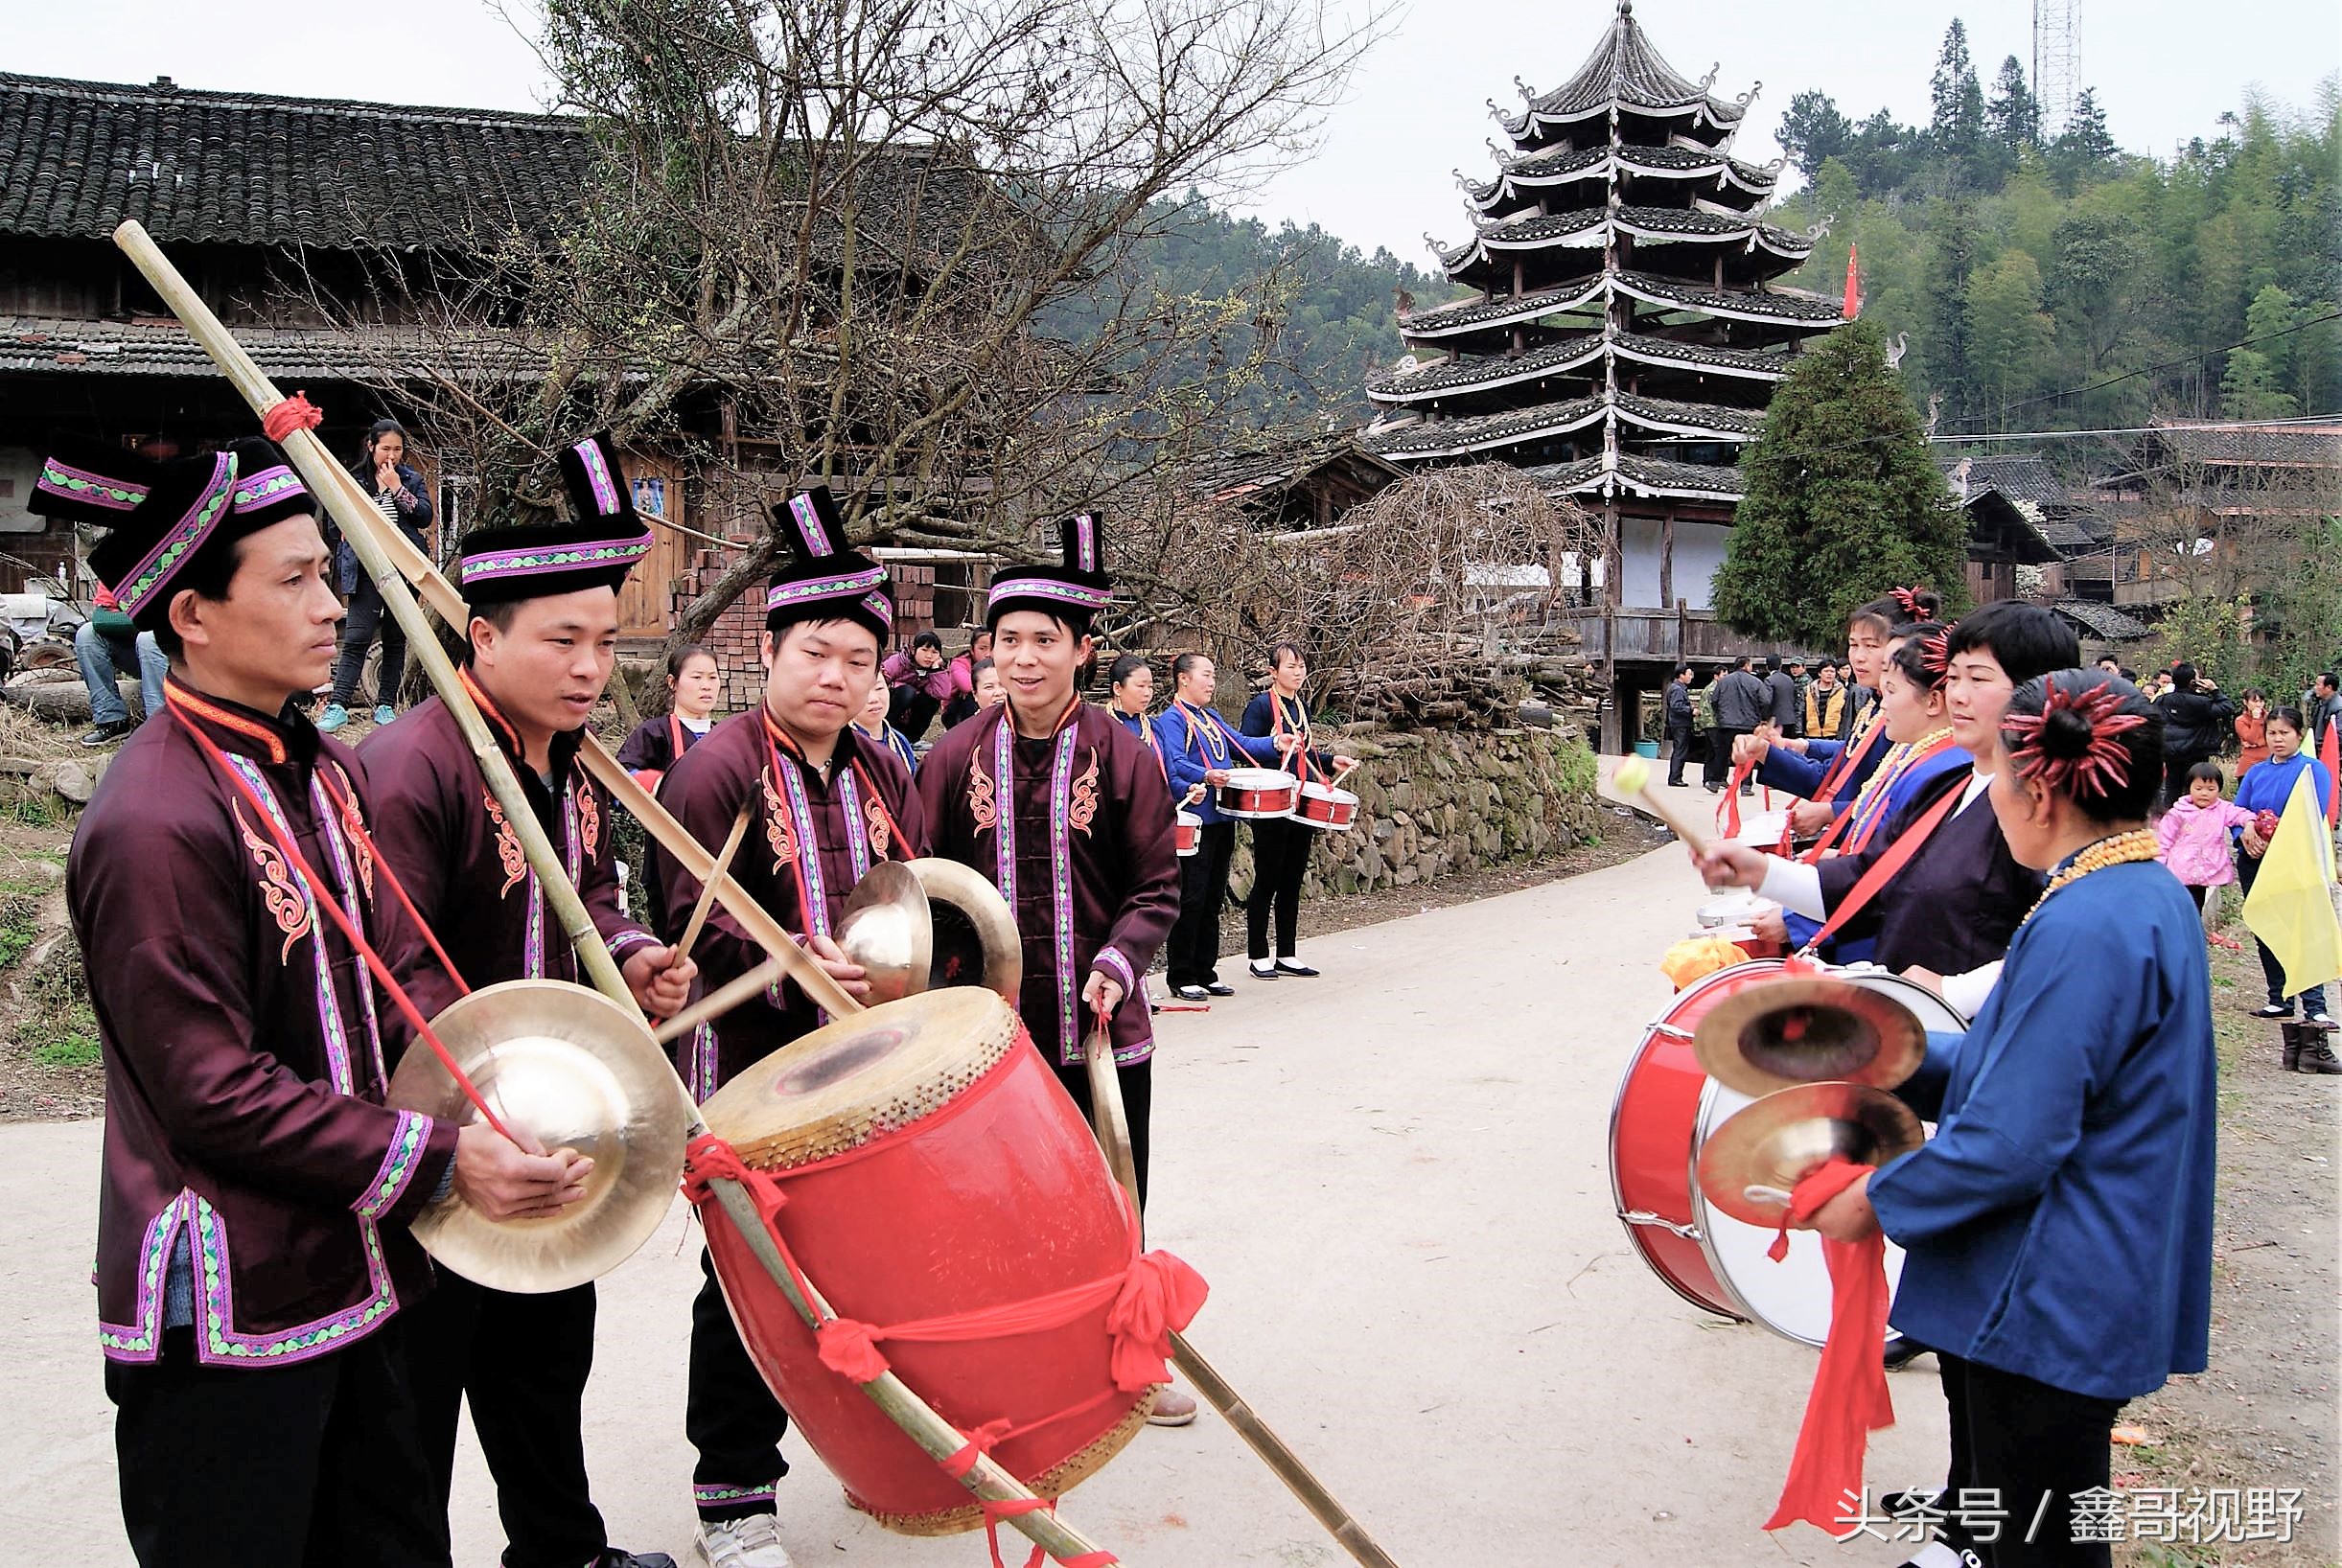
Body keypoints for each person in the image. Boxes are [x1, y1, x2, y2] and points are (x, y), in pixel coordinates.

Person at [43, 434, 579, 1567]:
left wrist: (489, 1101)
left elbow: (397, 975)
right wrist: (436, 1160)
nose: (333, 607)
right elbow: (211, 1091)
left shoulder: (323, 774)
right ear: (191, 615)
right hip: (228, 1303)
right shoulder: (153, 817)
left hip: (359, 1263)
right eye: (294, 579)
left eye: (328, 574)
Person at [361, 433, 690, 1568]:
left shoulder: (567, 757)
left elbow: (591, 897)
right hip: (453, 1141)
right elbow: (390, 970)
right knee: (423, 1394)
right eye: (561, 640)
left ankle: (561, 1550)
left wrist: (634, 955)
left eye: (604, 640)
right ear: (482, 634)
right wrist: (464, 1132)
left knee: (548, 1359)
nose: (591, 665)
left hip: (557, 1130)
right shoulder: (416, 765)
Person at [1799, 670, 2214, 1568]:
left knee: (2042, 1541)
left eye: (1994, 769)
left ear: (2037, 790)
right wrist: (1884, 1056)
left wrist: (1868, 1198)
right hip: (2082, 1270)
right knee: (2032, 1525)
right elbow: (2018, 1073)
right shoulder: (2136, 894)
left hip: (2048, 1288)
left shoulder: (2087, 922)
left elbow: (2011, 1140)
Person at [651, 485, 924, 1567]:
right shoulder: (716, 767)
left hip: (861, 1065)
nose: (836, 677)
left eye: (858, 661)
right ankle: (735, 1499)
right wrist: (783, 958)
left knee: (865, 1271)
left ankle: (879, 1456)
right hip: (749, 1076)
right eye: (816, 652)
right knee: (747, 1287)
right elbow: (684, 919)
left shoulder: (879, 767)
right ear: (769, 650)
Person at [915, 513, 1190, 1422]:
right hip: (989, 1047)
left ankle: (1133, 1361)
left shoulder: (1124, 757)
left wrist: (1117, 961)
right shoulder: (951, 757)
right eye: (1007, 641)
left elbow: (1155, 886)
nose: (1023, 659)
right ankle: (1008, 1376)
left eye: (1043, 640)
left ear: (1083, 649)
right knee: (992, 1216)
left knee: (1114, 1202)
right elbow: (927, 890)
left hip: (1101, 1030)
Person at [1707, 602, 2079, 1011]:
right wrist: (1759, 872)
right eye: (1953, 677)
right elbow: (1873, 879)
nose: (1956, 694)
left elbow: (2066, 947)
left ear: (2038, 693)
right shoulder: (1950, 783)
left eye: (1977, 679)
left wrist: (1955, 993)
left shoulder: (2048, 808)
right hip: (1907, 1019)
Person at [1156, 652, 1286, 1001]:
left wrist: (1275, 743)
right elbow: (1175, 764)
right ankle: (1181, 974)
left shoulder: (1210, 717)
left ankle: (1205, 969)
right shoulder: (1171, 720)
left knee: (1213, 896)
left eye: (1213, 676)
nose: (1212, 682)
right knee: (1192, 897)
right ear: (1184, 679)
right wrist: (1205, 775)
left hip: (1222, 816)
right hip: (1197, 818)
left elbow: (1240, 744)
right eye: (1206, 675)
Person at [1240, 642, 1357, 980]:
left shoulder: (1300, 706)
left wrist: (1330, 761)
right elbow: (1249, 752)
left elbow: (1304, 753)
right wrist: (1276, 751)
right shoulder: (1261, 706)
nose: (1298, 671)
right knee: (1267, 877)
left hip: (1300, 798)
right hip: (1272, 801)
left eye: (1301, 666)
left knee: (1292, 878)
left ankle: (1287, 952)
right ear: (1272, 672)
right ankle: (1258, 953)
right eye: (1290, 666)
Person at [320, 419, 433, 732]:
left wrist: (397, 488)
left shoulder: (410, 479)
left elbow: (424, 516)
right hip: (366, 568)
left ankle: (385, 705)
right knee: (357, 636)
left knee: (395, 639)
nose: (391, 455)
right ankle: (338, 705)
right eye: (386, 448)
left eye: (397, 449)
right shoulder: (354, 480)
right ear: (371, 447)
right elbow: (333, 522)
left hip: (403, 569)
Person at [2233, 706, 2335, 1026]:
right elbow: (2239, 811)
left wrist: (2276, 837)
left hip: (2293, 860)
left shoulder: (2313, 771)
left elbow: (2311, 813)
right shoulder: (2256, 772)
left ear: (2299, 735)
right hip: (2256, 859)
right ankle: (2278, 997)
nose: (2277, 740)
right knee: (2267, 926)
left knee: (2301, 929)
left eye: (2284, 733)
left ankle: (2314, 1003)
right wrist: (2246, 832)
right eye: (2272, 733)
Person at [73, 584, 171, 746]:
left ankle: (161, 726)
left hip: (188, 655)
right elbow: (103, 617)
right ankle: (112, 720)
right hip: (142, 653)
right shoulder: (118, 563)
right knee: (87, 634)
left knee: (148, 637)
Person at [616, 642, 722, 791]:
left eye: (712, 677)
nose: (706, 685)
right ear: (672, 682)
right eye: (697, 677)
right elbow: (619, 778)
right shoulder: (654, 733)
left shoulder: (726, 735)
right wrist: (659, 785)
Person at [2156, 761, 2256, 916]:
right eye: (2198, 788)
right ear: (2189, 789)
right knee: (2181, 909)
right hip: (2180, 872)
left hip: (2203, 875)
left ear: (2219, 790)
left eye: (2211, 789)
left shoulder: (2222, 809)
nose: (2204, 793)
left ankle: (2194, 937)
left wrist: (2249, 823)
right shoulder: (2178, 813)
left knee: (2196, 909)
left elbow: (2240, 814)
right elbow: (2164, 841)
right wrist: (2160, 867)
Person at [2151, 662, 2233, 809]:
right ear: (2192, 682)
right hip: (2196, 752)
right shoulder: (2201, 702)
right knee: (2196, 789)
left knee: (2172, 789)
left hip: (2171, 752)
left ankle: (2169, 822)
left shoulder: (2162, 700)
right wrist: (2214, 690)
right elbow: (2226, 708)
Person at [1705, 655, 1767, 793]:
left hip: (1727, 723)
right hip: (1748, 723)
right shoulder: (1755, 682)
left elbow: (1714, 701)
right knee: (1748, 753)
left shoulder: (1723, 682)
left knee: (1722, 753)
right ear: (1746, 666)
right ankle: (1745, 785)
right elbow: (1765, 701)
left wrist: (1720, 716)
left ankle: (1714, 782)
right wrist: (1760, 716)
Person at [880, 629, 954, 740]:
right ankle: (884, 732)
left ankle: (910, 739)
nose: (929, 656)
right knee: (907, 692)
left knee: (932, 700)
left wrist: (936, 670)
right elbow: (880, 679)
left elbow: (942, 693)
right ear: (914, 650)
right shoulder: (899, 661)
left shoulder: (932, 672)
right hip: (889, 706)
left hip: (910, 713)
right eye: (924, 650)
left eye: (934, 652)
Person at [853, 669, 921, 775]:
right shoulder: (840, 746)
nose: (873, 699)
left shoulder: (899, 741)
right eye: (862, 691)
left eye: (879, 688)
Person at [939, 628, 995, 729]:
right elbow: (966, 686)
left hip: (989, 706)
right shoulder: (959, 663)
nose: (988, 654)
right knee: (972, 694)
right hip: (956, 712)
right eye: (982, 648)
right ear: (972, 650)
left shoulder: (999, 663)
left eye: (992, 648)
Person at [1802, 660, 1854, 744]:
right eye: (1826, 671)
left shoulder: (1843, 692)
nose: (1829, 674)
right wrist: (1799, 733)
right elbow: (1801, 713)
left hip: (1833, 736)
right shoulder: (1808, 690)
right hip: (1811, 735)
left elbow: (1846, 716)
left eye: (1832, 671)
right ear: (1819, 673)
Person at [1662, 664, 1697, 787]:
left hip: (1678, 723)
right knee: (1680, 750)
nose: (1691, 677)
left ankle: (1676, 776)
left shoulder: (1677, 687)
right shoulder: (1677, 689)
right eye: (1689, 674)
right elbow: (1677, 706)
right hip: (1680, 724)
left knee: (1680, 750)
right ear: (1681, 675)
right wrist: (1691, 710)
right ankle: (1675, 778)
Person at [2234, 689, 2271, 774]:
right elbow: (2251, 739)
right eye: (2254, 701)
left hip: (2268, 762)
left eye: (2261, 701)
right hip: (2249, 765)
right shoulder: (2240, 720)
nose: (2258, 705)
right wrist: (2256, 719)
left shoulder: (2270, 718)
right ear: (2245, 702)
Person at [1764, 654, 1801, 738]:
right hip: (1791, 719)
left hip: (1776, 721)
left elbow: (1767, 701)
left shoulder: (1769, 680)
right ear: (1781, 666)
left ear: (1767, 667)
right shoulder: (1789, 679)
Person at [2305, 671, 2340, 752]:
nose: (2315, 688)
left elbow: (2338, 735)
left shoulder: (2338, 707)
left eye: (2318, 685)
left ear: (2328, 688)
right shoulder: (2320, 703)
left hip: (2329, 752)